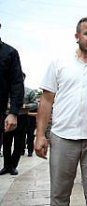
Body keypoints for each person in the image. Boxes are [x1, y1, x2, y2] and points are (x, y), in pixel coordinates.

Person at [34, 17, 87, 206]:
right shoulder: (59, 63)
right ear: (77, 36)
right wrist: (40, 135)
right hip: (62, 136)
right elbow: (46, 100)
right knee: (59, 195)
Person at [0, 22, 25, 175]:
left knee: (16, 143)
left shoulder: (9, 53)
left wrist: (13, 112)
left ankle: (11, 165)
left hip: (5, 113)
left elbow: (17, 84)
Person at [20, 73, 38, 157]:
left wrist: (25, 106)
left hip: (29, 117)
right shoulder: (11, 91)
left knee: (30, 135)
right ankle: (21, 150)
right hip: (19, 116)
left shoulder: (30, 91)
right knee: (21, 134)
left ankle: (30, 150)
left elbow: (35, 104)